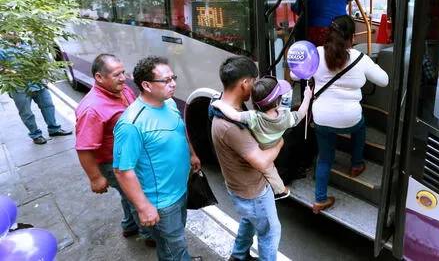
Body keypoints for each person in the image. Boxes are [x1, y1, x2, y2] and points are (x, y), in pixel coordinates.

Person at [113, 56, 201, 261]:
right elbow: (123, 171)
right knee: (173, 248)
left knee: (176, 239)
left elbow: (179, 130)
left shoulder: (168, 103)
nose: (173, 83)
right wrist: (144, 208)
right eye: (166, 80)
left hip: (180, 190)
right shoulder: (131, 123)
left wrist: (192, 154)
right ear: (146, 85)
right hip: (161, 203)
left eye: (174, 77)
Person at [74, 54, 155, 247]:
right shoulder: (91, 109)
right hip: (113, 164)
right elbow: (84, 148)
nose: (122, 78)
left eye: (122, 72)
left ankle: (129, 226)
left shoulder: (123, 89)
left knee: (127, 194)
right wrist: (95, 178)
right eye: (116, 75)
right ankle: (150, 234)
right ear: (99, 77)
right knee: (136, 196)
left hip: (132, 156)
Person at [311, 15, 388, 214]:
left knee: (325, 158)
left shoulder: (316, 54)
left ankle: (320, 200)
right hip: (350, 118)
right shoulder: (360, 59)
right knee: (360, 127)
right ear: (352, 37)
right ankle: (355, 164)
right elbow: (384, 81)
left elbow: (295, 75)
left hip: (322, 118)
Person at [210, 56, 283, 261]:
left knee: (249, 220)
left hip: (239, 187)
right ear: (245, 83)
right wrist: (279, 143)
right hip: (253, 191)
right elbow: (260, 161)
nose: (256, 85)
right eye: (254, 80)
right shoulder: (230, 126)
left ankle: (239, 255)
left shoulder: (224, 104)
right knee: (270, 232)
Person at [211, 76, 312, 200]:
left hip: (260, 147)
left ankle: (280, 189)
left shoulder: (253, 117)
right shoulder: (286, 118)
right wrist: (307, 97)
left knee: (269, 169)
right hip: (273, 143)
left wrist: (218, 103)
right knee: (269, 168)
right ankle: (280, 190)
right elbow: (302, 112)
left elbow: (234, 115)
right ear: (278, 103)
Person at [0, 35, 72, 144]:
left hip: (37, 82)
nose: (13, 33)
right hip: (19, 86)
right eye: (9, 31)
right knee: (26, 112)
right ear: (3, 33)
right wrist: (9, 71)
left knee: (48, 105)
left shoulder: (27, 43)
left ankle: (54, 129)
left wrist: (44, 74)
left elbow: (39, 60)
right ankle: (35, 135)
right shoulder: (2, 48)